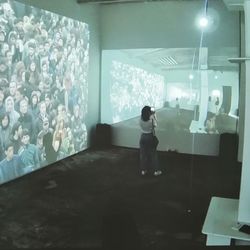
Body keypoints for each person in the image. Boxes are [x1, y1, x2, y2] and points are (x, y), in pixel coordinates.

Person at [139, 106, 162, 176]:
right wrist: (154, 115)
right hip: (150, 136)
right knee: (153, 154)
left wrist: (151, 114)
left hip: (142, 137)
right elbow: (156, 125)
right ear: (149, 112)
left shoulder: (140, 118)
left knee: (143, 154)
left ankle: (143, 170)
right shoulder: (151, 120)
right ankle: (156, 171)